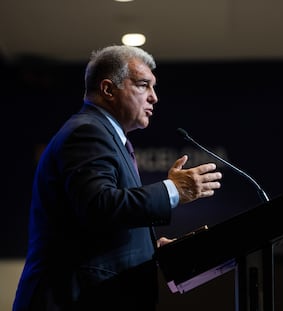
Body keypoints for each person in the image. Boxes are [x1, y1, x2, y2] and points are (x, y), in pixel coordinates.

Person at [13, 45, 222, 311]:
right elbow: (99, 205)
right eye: (144, 85)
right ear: (108, 89)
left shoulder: (107, 137)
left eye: (153, 87)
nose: (154, 98)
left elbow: (95, 226)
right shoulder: (87, 132)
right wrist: (172, 190)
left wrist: (149, 248)